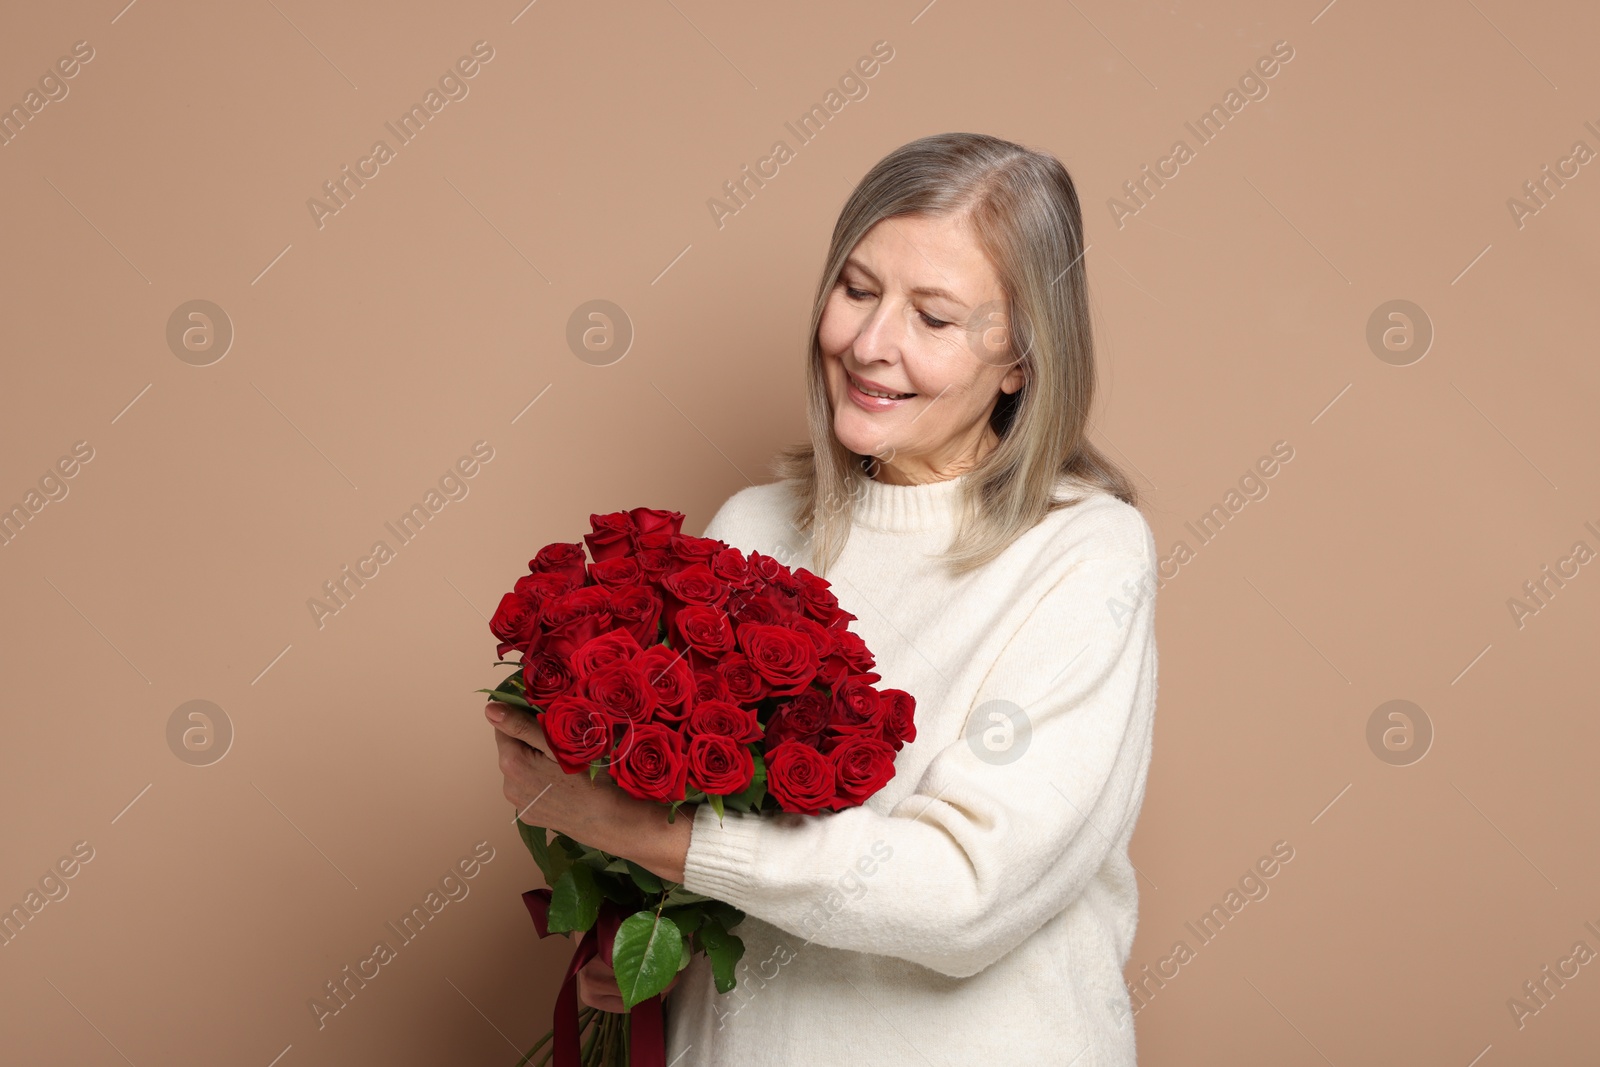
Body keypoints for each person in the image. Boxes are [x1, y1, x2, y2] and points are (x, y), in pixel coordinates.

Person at [489, 131, 1160, 1064]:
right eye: (856, 289)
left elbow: (967, 892)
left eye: (933, 317)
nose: (869, 344)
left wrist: (649, 833)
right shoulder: (753, 528)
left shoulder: (1083, 553)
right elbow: (737, 890)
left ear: (1021, 358)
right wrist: (642, 948)